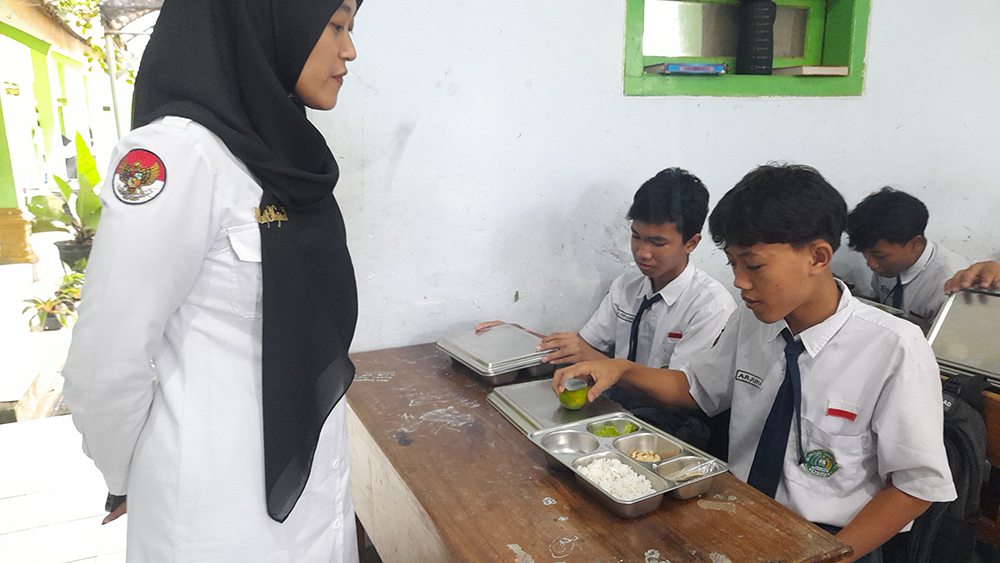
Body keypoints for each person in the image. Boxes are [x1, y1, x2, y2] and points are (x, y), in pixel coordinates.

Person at [61, 0, 364, 561]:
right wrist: (126, 473)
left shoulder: (284, 152)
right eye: (336, 25)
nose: (349, 50)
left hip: (316, 491)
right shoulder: (177, 154)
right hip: (212, 513)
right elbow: (104, 360)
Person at [553, 164, 956, 563]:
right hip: (740, 516)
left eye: (754, 265)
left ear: (818, 257)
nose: (739, 281)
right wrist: (621, 369)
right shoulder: (752, 321)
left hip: (835, 541)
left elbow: (915, 486)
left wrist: (832, 557)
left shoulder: (894, 347)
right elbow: (695, 389)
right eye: (732, 263)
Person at [480, 168, 735, 447]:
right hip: (618, 408)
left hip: (673, 427)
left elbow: (680, 396)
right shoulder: (627, 286)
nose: (642, 252)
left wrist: (606, 363)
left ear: (691, 243)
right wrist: (521, 336)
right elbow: (581, 348)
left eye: (657, 242)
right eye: (636, 236)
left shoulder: (710, 306)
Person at [845, 187, 968, 328]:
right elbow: (883, 306)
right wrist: (851, 296)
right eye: (864, 254)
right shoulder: (886, 266)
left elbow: (947, 338)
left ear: (915, 244)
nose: (871, 264)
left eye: (880, 256)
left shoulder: (949, 282)